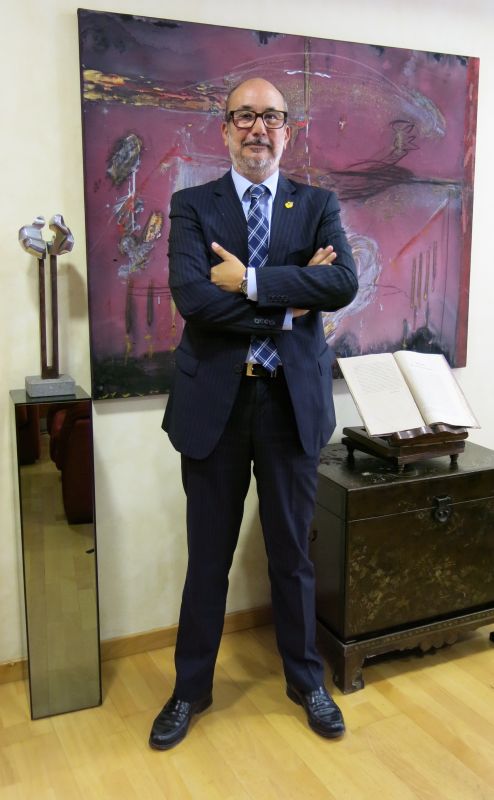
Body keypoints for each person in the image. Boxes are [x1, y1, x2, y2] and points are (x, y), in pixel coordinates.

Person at [150, 77, 358, 750]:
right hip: (216, 404)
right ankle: (190, 690)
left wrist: (251, 280)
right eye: (244, 116)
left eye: (271, 117)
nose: (257, 128)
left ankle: (306, 682)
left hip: (290, 405)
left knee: (293, 556)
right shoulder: (193, 205)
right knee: (207, 558)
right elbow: (193, 298)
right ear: (225, 129)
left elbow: (342, 282)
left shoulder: (317, 204)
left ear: (287, 130)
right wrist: (293, 304)